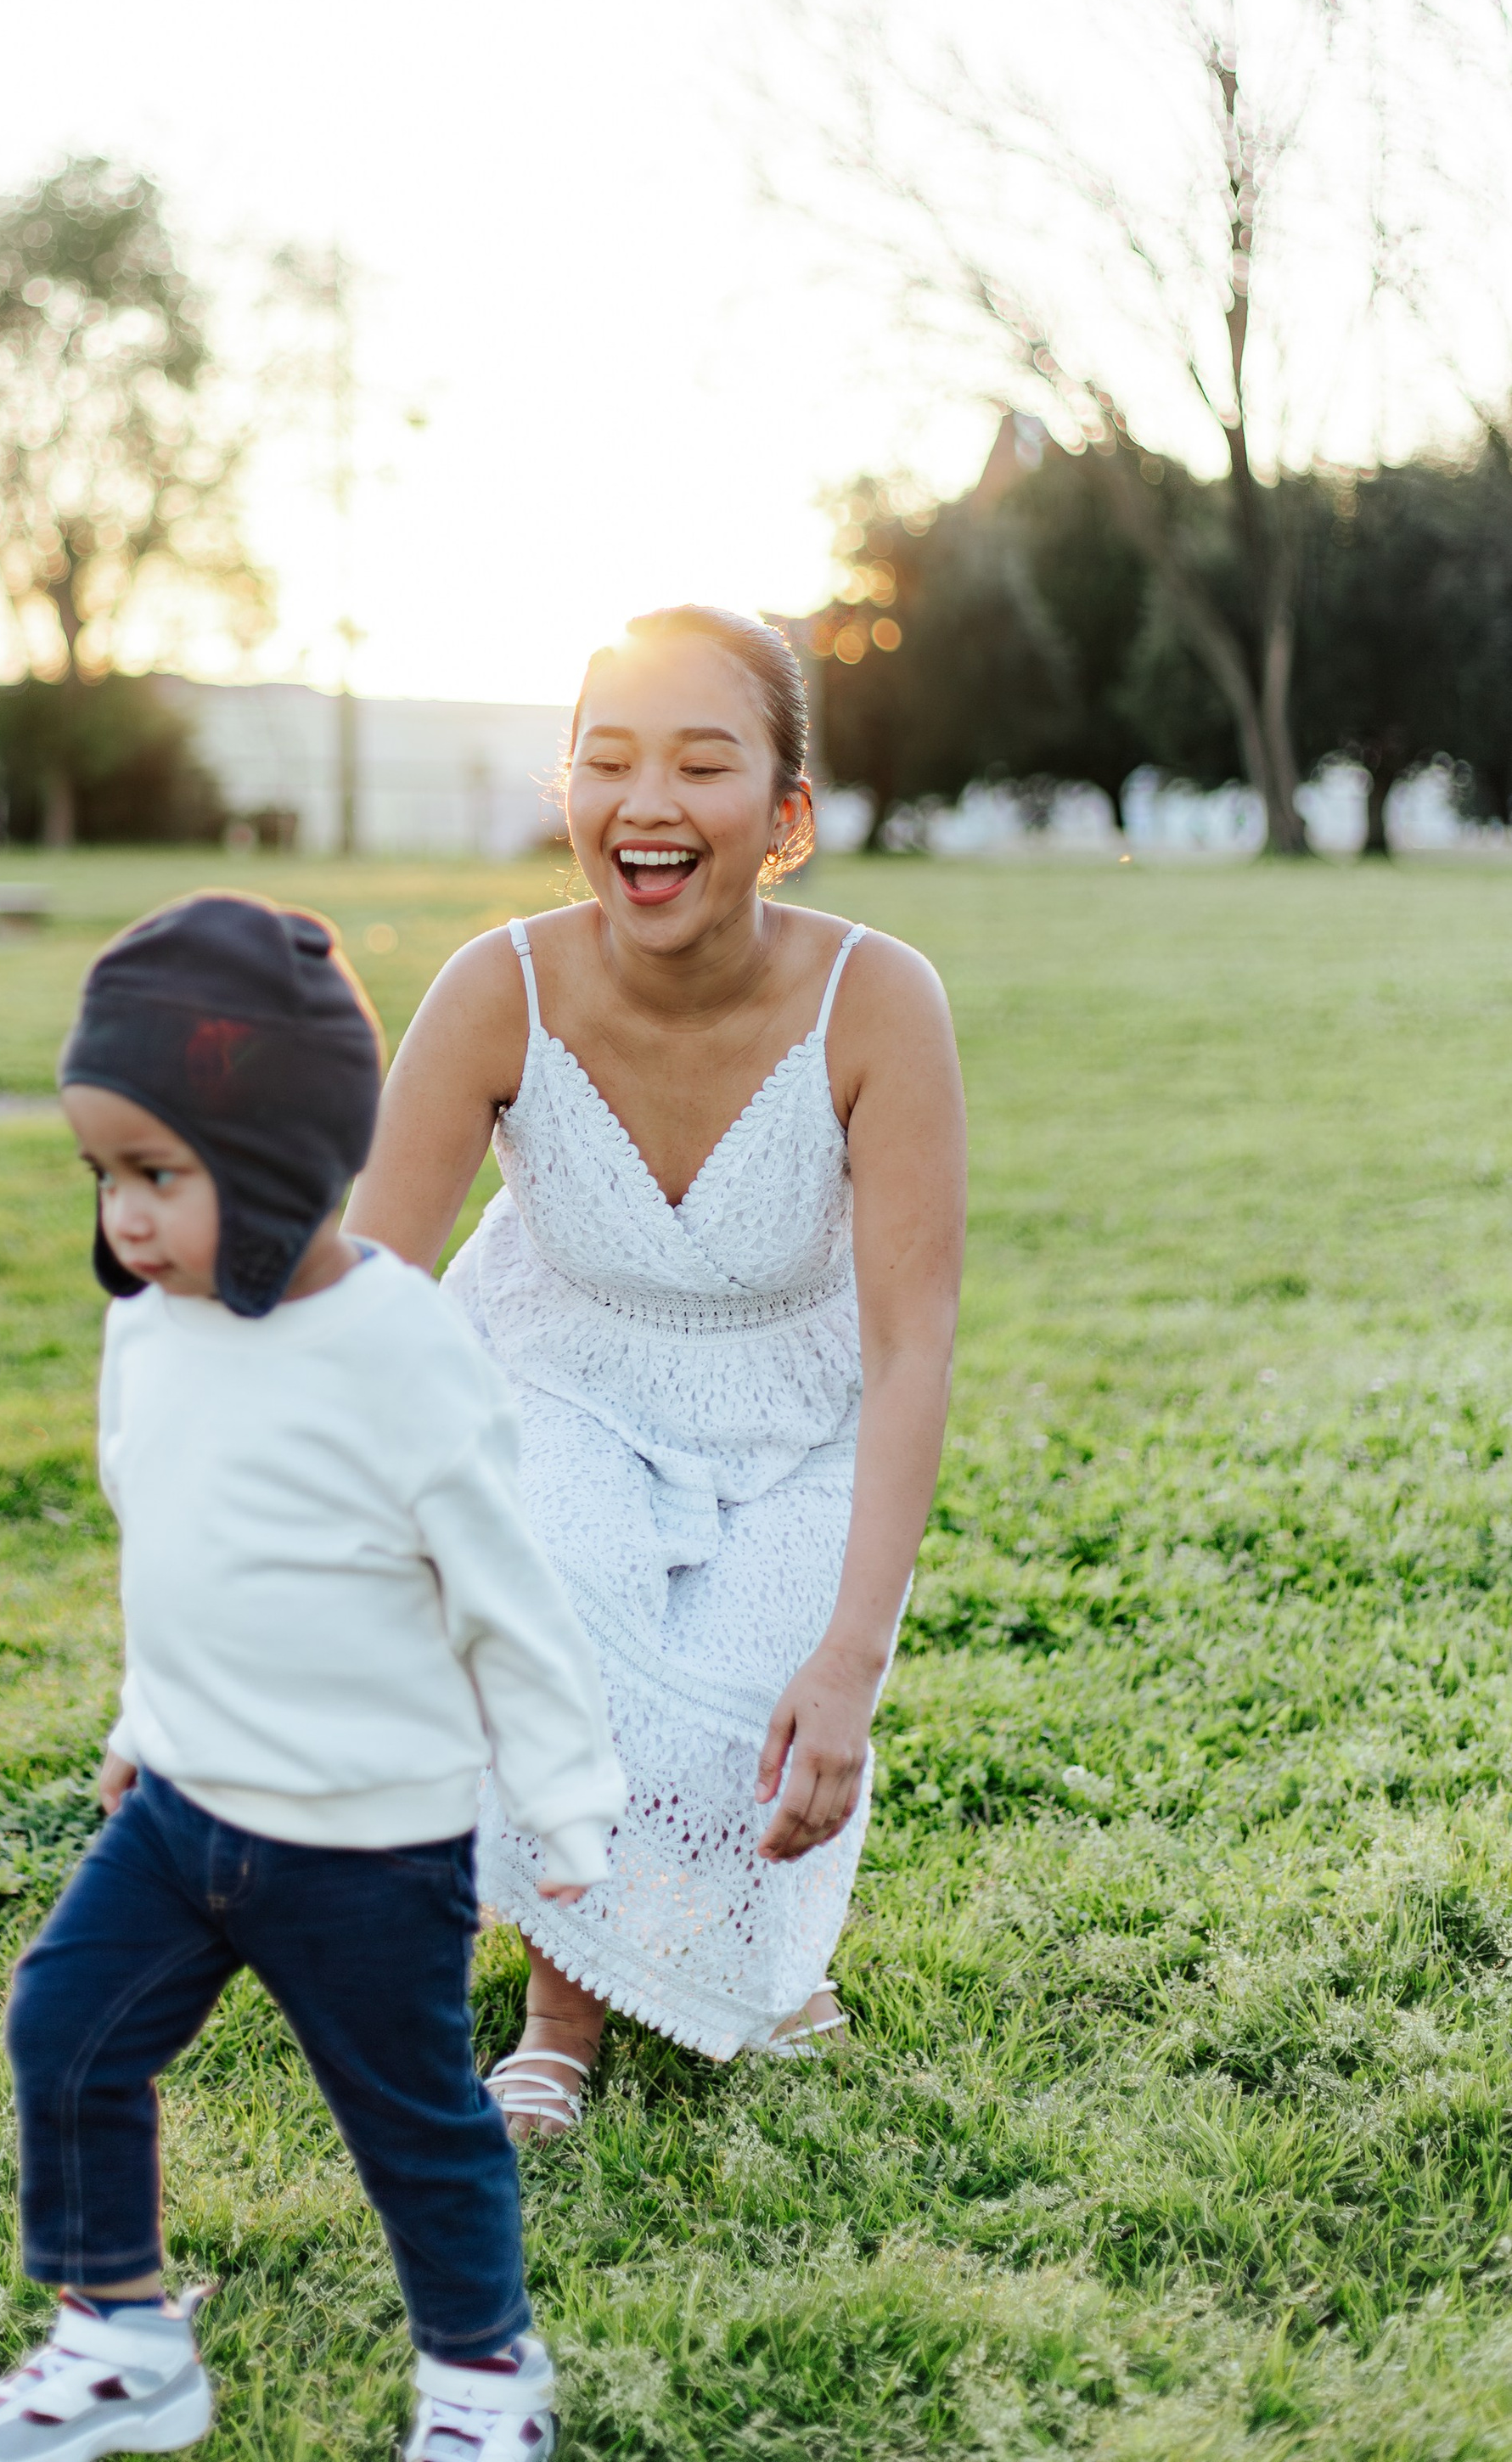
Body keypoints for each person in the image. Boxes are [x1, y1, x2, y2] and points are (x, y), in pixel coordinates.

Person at [0, 892, 623, 2462]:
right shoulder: (152, 1335)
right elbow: (177, 1549)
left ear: (286, 1153)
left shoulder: (400, 1351)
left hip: (369, 1840)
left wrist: (570, 1820)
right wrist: (137, 1727)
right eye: (103, 1176)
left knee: (414, 2122)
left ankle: (483, 2383)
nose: (127, 1220)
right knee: (67, 2031)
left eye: (160, 1175)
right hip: (184, 1812)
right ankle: (119, 2340)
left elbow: (511, 1603)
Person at [346, 605, 965, 2132]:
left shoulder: (881, 1000)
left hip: (796, 1413)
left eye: (704, 765)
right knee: (564, 1606)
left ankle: (736, 1959)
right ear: (566, 795)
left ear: (785, 816)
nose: (649, 806)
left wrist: (852, 1666)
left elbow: (911, 1348)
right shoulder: (498, 990)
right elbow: (365, 1299)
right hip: (550, 1378)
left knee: (758, 1689)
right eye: (607, 762)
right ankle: (568, 2013)